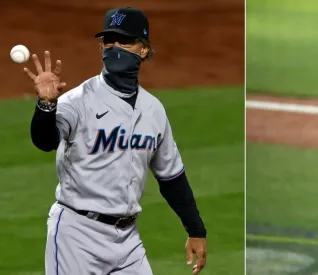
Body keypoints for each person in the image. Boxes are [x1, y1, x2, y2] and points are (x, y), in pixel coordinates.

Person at [23, 7, 207, 275]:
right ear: (101, 47)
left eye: (125, 41)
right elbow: (44, 140)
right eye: (109, 41)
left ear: (143, 49)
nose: (115, 47)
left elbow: (171, 178)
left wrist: (196, 230)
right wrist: (46, 106)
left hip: (128, 240)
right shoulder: (77, 101)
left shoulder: (153, 109)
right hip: (77, 236)